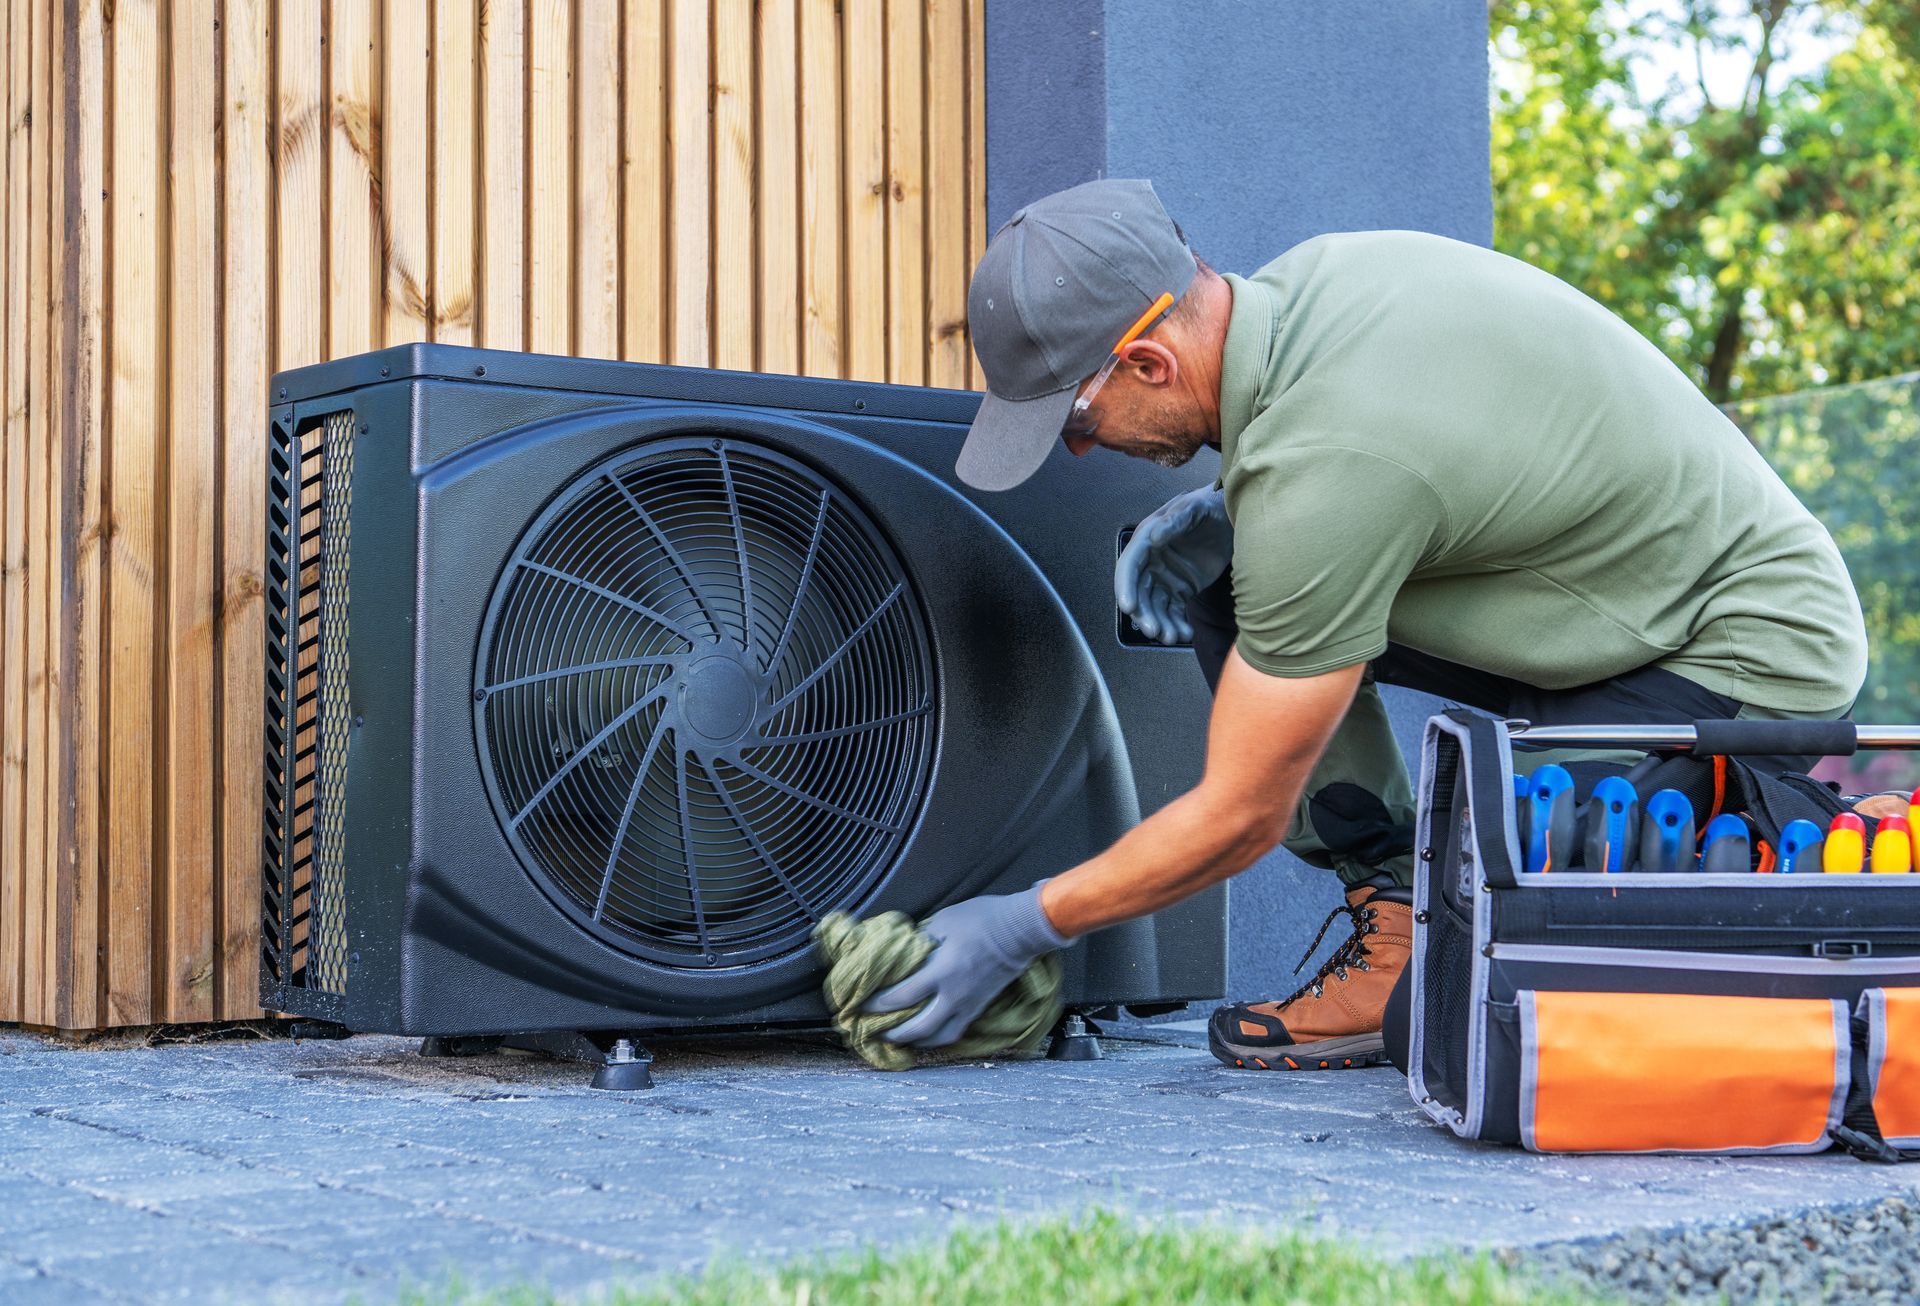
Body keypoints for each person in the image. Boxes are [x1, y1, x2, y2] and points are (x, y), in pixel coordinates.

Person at [859, 178, 1869, 1071]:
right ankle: (1393, 921)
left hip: (1740, 647)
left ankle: (1808, 861)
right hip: (1605, 598)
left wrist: (1025, 924)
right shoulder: (1304, 293)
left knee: (1445, 1023)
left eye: (1076, 419)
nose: (1081, 452)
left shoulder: (1325, 468)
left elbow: (1243, 813)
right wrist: (1241, 514)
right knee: (1236, 574)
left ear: (1150, 362)